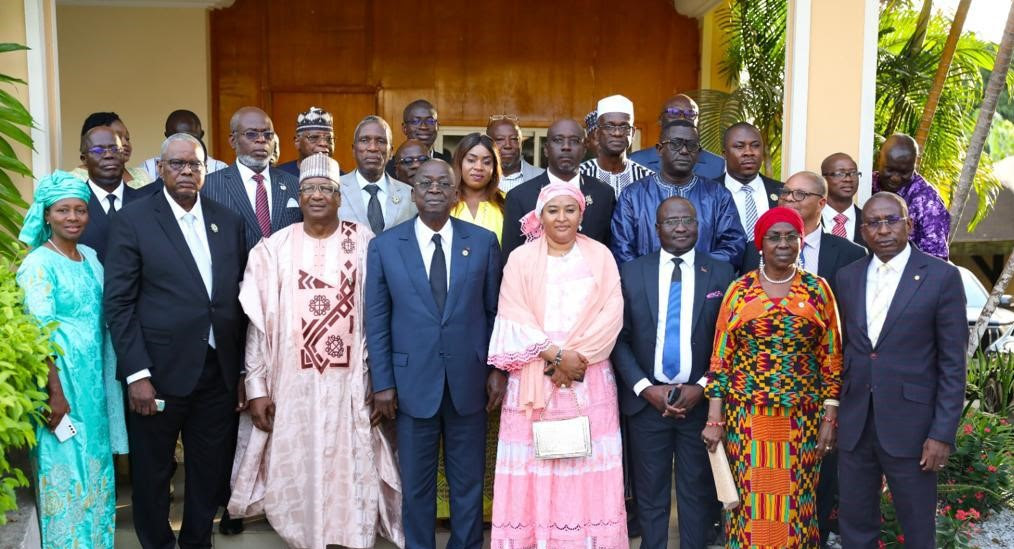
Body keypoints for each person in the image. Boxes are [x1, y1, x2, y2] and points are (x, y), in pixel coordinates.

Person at [228, 153, 403, 548]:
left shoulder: (364, 242)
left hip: (352, 382)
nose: (318, 195)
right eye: (309, 189)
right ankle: (305, 535)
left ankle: (351, 533)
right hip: (293, 385)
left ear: (340, 197)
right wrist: (257, 388)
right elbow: (257, 326)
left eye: (327, 188)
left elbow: (382, 313)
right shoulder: (274, 249)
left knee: (352, 459)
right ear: (299, 198)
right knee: (300, 462)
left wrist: (381, 380)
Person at [104, 133, 248, 549]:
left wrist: (238, 368)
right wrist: (136, 374)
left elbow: (235, 299)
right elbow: (119, 303)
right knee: (152, 473)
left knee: (209, 469)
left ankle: (197, 541)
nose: (187, 171)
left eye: (195, 165)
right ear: (161, 169)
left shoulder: (227, 220)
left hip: (216, 372)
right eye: (178, 164)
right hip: (157, 372)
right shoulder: (133, 220)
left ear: (206, 171)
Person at [366, 159, 503, 549]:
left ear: (456, 192)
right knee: (417, 486)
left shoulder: (481, 242)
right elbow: (376, 321)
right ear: (413, 192)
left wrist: (497, 369)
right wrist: (383, 382)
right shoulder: (386, 246)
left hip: (469, 382)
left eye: (444, 183)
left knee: (468, 483)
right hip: (410, 386)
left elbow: (495, 312)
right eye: (425, 182)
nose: (434, 188)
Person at [488, 182, 627, 547]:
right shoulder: (520, 259)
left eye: (570, 209)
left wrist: (574, 359)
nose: (561, 217)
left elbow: (612, 314)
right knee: (537, 466)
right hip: (534, 377)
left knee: (585, 466)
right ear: (539, 216)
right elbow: (512, 314)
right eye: (553, 210)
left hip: (590, 377)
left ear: (581, 214)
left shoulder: (600, 256)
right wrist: (555, 355)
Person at [702, 207, 842, 548]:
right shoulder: (740, 291)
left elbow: (833, 357)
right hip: (747, 418)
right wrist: (714, 418)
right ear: (760, 245)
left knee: (797, 499)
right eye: (773, 237)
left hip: (802, 419)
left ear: (801, 242)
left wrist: (830, 415)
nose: (783, 243)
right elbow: (721, 358)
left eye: (790, 236)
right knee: (749, 501)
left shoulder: (817, 290)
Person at [835, 192, 966, 549]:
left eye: (891, 220)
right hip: (856, 423)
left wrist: (942, 433)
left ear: (908, 224)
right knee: (855, 524)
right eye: (874, 223)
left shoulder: (941, 277)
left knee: (917, 528)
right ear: (863, 232)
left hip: (913, 427)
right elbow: (843, 351)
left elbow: (953, 365)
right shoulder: (847, 278)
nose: (883, 230)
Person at [612, 196, 736, 549]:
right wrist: (643, 388)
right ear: (656, 229)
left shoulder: (722, 274)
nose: (680, 227)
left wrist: (702, 386)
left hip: (698, 404)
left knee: (696, 495)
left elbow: (727, 342)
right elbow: (618, 338)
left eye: (687, 220)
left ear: (699, 226)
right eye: (671, 221)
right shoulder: (632, 272)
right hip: (646, 405)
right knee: (650, 497)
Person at [16, 171, 128, 548]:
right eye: (63, 210)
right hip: (61, 387)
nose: (73, 217)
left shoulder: (91, 258)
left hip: (93, 386)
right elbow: (38, 334)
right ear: (46, 215)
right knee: (65, 473)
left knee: (95, 475)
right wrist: (54, 394)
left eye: (80, 210)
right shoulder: (37, 265)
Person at [611, 120, 746, 267]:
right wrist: (649, 278)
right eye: (675, 143)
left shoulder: (718, 195)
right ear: (659, 149)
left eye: (691, 145)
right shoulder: (633, 195)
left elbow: (733, 246)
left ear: (698, 153)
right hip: (646, 286)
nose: (684, 150)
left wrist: (695, 268)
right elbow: (622, 249)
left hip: (704, 283)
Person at [501, 118, 616, 259]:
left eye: (574, 141)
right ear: (546, 150)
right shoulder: (519, 196)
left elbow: (610, 253)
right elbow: (510, 259)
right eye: (558, 140)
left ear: (584, 149)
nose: (566, 147)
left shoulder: (604, 194)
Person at [742, 171, 866, 297]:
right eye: (785, 192)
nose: (789, 198)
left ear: (821, 203)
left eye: (800, 194)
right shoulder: (755, 249)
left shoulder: (851, 253)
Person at [202, 106, 303, 253]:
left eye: (268, 135)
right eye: (251, 134)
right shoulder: (209, 186)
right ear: (232, 140)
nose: (261, 140)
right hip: (237, 275)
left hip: (285, 274)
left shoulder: (294, 184)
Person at [872, 133, 950, 260]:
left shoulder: (928, 201)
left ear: (914, 165)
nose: (895, 178)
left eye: (904, 172)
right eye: (890, 170)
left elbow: (937, 261)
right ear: (879, 159)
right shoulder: (867, 183)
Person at [77, 126, 146, 262]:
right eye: (98, 150)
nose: (109, 155)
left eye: (115, 149)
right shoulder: (73, 207)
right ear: (84, 159)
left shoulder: (145, 203)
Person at [339, 115, 417, 234]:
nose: (372, 148)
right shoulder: (334, 190)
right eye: (364, 140)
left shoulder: (409, 195)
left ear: (391, 152)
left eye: (380, 141)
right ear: (353, 150)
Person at [629, 94, 726, 180]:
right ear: (660, 120)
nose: (682, 118)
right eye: (673, 112)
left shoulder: (718, 165)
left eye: (691, 114)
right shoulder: (636, 161)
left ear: (698, 122)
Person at [579, 94, 654, 197]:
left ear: (632, 133)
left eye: (624, 126)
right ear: (597, 133)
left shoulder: (648, 178)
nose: (617, 133)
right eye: (609, 126)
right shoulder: (579, 174)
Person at [721, 122, 782, 241]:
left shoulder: (782, 192)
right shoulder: (707, 192)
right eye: (739, 146)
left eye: (755, 145)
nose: (748, 152)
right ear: (724, 154)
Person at [71, 112, 153, 189]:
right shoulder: (74, 180)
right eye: (116, 138)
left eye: (127, 138)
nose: (125, 143)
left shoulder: (141, 174)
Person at [139, 110, 228, 179]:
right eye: (177, 137)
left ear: (201, 135)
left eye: (190, 137)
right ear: (167, 136)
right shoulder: (148, 169)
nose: (184, 144)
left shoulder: (220, 169)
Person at [450, 132, 506, 243]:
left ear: (494, 167)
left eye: (486, 162)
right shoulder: (444, 202)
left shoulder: (507, 201)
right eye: (471, 160)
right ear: (459, 162)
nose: (479, 167)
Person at [384, 99, 451, 177]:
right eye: (415, 121)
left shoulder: (449, 164)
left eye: (430, 121)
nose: (424, 127)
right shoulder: (387, 167)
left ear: (437, 126)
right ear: (405, 128)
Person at [486, 115, 543, 192]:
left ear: (521, 144)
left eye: (514, 139)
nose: (508, 145)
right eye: (500, 139)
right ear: (488, 144)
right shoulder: (478, 177)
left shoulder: (543, 177)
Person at [820, 152, 866, 247]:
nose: (848, 179)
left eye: (853, 173)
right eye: (840, 174)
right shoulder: (809, 220)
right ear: (823, 179)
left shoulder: (869, 221)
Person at [276, 106, 335, 177]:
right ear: (297, 142)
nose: (323, 143)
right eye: (314, 138)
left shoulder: (341, 178)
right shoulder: (279, 175)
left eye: (329, 139)